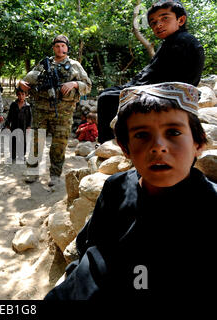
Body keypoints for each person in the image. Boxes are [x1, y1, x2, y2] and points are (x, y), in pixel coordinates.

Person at [44, 82, 217, 300]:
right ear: (125, 148)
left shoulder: (210, 207)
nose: (158, 146)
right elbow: (89, 245)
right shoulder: (115, 187)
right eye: (142, 135)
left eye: (173, 132)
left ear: (199, 143)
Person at [97, 0, 205, 144]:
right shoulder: (172, 42)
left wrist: (130, 89)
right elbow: (152, 73)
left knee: (107, 98)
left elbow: (157, 76)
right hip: (165, 91)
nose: (158, 25)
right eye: (153, 22)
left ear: (181, 20)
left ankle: (109, 143)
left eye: (164, 18)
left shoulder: (182, 42)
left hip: (169, 95)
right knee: (111, 94)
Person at [19, 34, 92, 186]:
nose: (60, 49)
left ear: (67, 48)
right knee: (36, 143)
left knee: (59, 145)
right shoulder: (43, 64)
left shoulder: (74, 65)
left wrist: (75, 84)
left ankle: (55, 175)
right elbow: (28, 81)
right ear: (53, 48)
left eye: (63, 46)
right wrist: (20, 84)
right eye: (57, 46)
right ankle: (32, 172)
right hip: (41, 110)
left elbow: (88, 86)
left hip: (63, 113)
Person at [4, 87, 32, 162]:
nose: (21, 96)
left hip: (23, 126)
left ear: (26, 95)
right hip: (14, 125)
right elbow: (9, 115)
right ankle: (12, 155)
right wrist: (7, 124)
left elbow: (30, 117)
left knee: (22, 141)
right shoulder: (13, 104)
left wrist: (29, 126)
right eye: (19, 94)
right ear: (17, 95)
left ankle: (21, 155)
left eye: (23, 94)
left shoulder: (27, 106)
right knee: (13, 140)